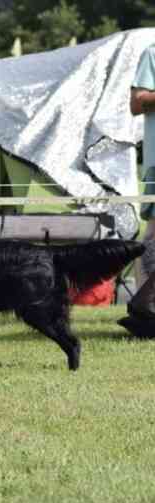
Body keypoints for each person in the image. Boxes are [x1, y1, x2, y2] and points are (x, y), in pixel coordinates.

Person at [126, 43, 155, 320]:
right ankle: (144, 310)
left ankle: (143, 308)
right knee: (154, 238)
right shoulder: (153, 53)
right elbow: (137, 102)